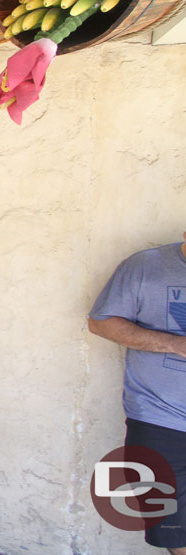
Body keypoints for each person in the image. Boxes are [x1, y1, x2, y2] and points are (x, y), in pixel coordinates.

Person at [88, 233, 186, 554]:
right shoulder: (145, 267)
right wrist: (175, 344)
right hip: (161, 420)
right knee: (175, 533)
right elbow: (102, 323)